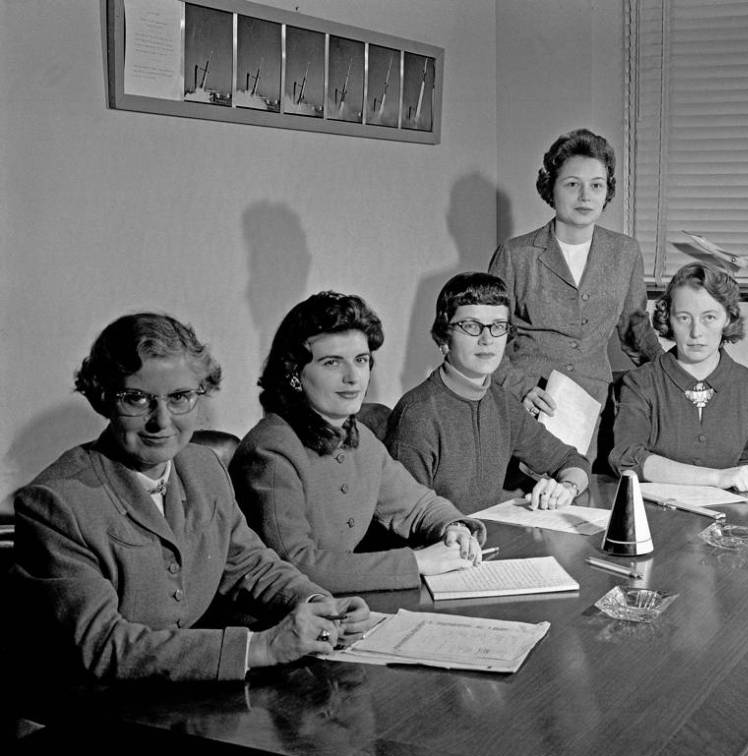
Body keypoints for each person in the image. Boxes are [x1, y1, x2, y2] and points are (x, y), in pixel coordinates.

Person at [13, 313, 371, 682]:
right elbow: (104, 645)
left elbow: (249, 565)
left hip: (198, 696)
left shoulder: (202, 466)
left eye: (180, 397)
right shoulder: (55, 503)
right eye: (136, 399)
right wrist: (260, 648)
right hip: (105, 711)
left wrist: (318, 605)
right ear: (103, 398)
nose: (162, 421)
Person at [230, 291, 486, 595]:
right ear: (294, 374)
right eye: (332, 363)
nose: (353, 377)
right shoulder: (270, 450)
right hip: (284, 625)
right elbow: (295, 565)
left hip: (342, 607)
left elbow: (418, 505)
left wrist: (453, 528)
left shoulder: (359, 437)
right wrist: (416, 562)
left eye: (361, 360)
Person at [488, 128, 663, 456]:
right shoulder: (516, 255)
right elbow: (488, 338)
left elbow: (635, 330)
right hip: (525, 403)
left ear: (607, 191)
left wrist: (673, 373)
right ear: (550, 188)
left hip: (590, 409)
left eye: (596, 185)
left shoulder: (625, 253)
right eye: (572, 184)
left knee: (581, 497)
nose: (586, 197)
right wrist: (520, 387)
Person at [386, 272, 591, 514]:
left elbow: (572, 461)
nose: (487, 339)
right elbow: (408, 519)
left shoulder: (503, 403)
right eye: (471, 326)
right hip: (438, 548)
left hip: (485, 540)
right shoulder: (418, 414)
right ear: (444, 335)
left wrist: (566, 488)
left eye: (498, 326)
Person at [609, 263, 748, 492]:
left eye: (709, 317)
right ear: (668, 318)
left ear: (728, 318)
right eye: (684, 318)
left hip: (730, 520)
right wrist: (716, 478)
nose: (696, 332)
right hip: (658, 520)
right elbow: (627, 458)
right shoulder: (640, 382)